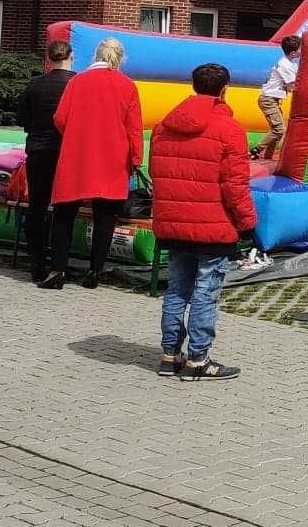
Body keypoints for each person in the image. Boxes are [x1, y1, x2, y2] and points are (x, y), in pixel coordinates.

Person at [150, 62, 256, 380]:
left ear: (192, 86)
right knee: (206, 291)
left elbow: (158, 173)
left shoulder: (163, 127)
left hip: (174, 221)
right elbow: (234, 185)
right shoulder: (230, 130)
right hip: (213, 225)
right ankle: (199, 359)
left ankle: (170, 355)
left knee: (176, 289)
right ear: (225, 89)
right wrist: (248, 223)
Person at [46, 37, 143, 290]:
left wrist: (77, 133)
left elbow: (60, 118)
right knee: (105, 217)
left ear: (95, 56)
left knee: (64, 214)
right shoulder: (127, 85)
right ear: (120, 59)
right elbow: (134, 128)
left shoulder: (77, 81)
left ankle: (57, 270)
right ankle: (95, 272)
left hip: (77, 154)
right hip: (113, 156)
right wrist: (135, 159)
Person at [16, 39, 77, 284]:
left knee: (37, 206)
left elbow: (23, 119)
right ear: (70, 56)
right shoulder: (77, 83)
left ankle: (37, 262)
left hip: (39, 149)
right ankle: (59, 265)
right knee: (65, 208)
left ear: (48, 59)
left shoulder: (35, 84)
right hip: (67, 151)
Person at [254, 35, 300, 161]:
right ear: (293, 52)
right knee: (279, 130)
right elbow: (291, 87)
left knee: (276, 130)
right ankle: (255, 151)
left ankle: (268, 157)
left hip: (272, 100)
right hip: (268, 100)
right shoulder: (285, 64)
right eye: (301, 49)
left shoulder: (291, 61)